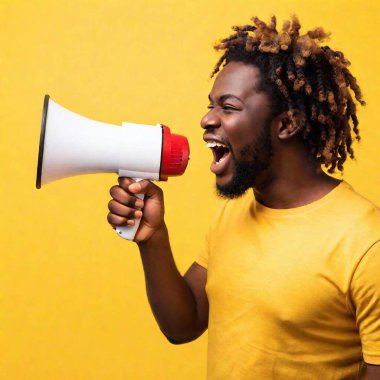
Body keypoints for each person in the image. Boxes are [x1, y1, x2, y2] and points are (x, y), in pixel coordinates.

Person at [107, 15, 380, 380]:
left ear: (286, 124)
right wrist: (152, 237)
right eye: (211, 105)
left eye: (229, 107)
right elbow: (183, 325)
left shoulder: (366, 243)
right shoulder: (234, 212)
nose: (207, 119)